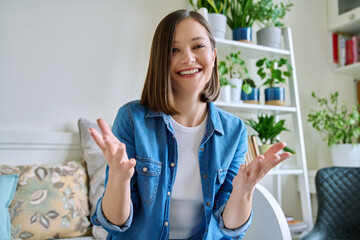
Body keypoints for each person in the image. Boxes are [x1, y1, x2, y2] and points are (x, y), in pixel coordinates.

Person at [89, 9, 291, 240]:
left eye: (198, 47)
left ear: (214, 55)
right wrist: (118, 177)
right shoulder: (131, 119)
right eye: (174, 50)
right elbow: (115, 223)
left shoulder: (234, 131)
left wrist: (244, 191)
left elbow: (229, 226)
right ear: (161, 60)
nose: (188, 58)